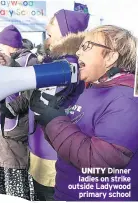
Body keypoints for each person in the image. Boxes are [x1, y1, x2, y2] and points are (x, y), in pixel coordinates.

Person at [30, 25, 138, 201]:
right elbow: (66, 142)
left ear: (111, 57)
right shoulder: (90, 88)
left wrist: (54, 120)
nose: (79, 52)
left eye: (87, 46)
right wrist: (47, 116)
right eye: (80, 46)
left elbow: (99, 162)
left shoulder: (127, 100)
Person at [0, 9, 90, 201]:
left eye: (52, 25)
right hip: (42, 146)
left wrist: (13, 72)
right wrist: (12, 67)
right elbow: (37, 83)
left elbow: (41, 98)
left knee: (46, 195)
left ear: (66, 31)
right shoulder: (57, 62)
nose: (47, 28)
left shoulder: (67, 64)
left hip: (51, 152)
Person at [0, 25, 37, 200]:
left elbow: (30, 92)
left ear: (11, 46)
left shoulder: (30, 60)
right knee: (4, 168)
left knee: (17, 173)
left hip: (17, 127)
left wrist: (12, 108)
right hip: (5, 126)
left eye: (1, 46)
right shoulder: (8, 59)